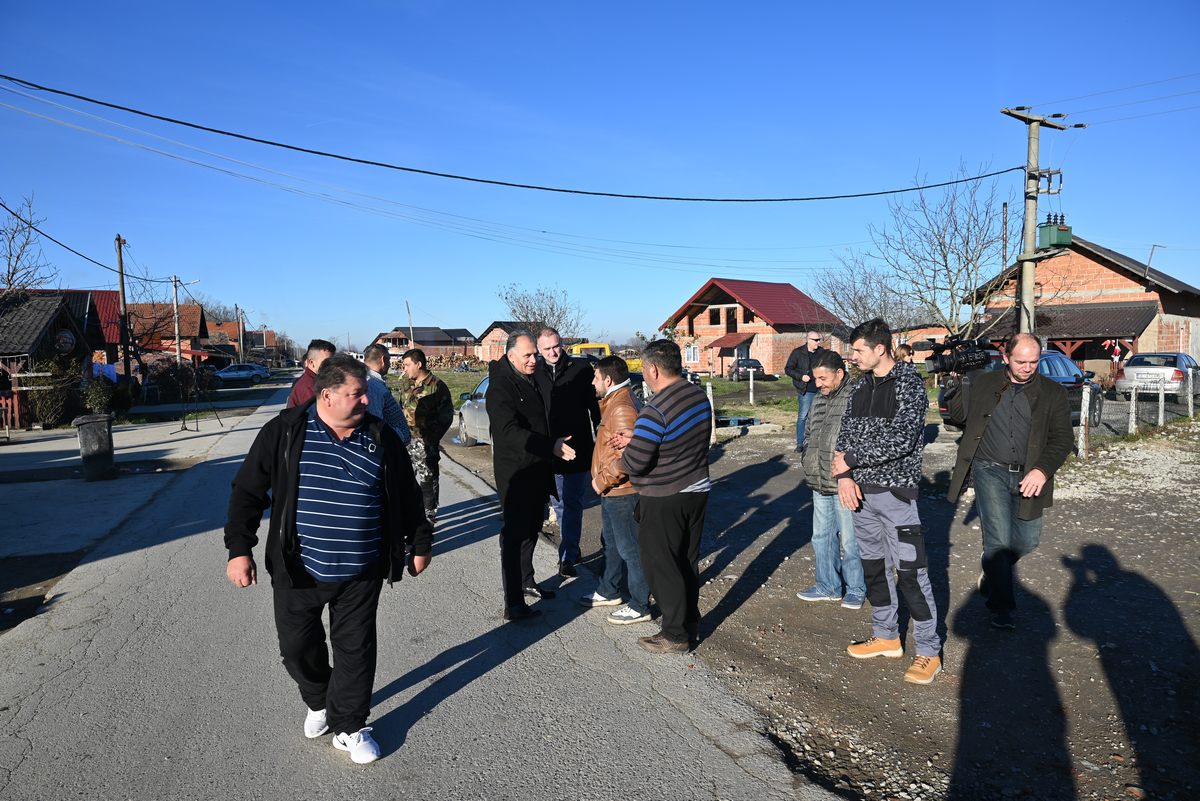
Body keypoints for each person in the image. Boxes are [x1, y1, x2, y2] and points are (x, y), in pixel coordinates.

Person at [224, 354, 431, 764]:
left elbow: (408, 494)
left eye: (365, 394)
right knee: (297, 648)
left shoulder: (381, 437)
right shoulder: (284, 432)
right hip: (299, 568)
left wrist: (420, 542)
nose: (367, 402)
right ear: (327, 395)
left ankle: (350, 725)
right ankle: (320, 700)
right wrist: (239, 549)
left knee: (355, 649)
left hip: (361, 569)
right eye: (357, 395)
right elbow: (247, 491)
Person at [832, 318, 941, 685]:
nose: (852, 357)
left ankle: (928, 651)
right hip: (861, 496)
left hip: (897, 496)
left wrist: (850, 461)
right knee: (874, 570)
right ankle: (886, 637)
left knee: (911, 573)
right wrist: (845, 475)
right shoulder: (860, 385)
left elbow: (903, 439)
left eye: (858, 350)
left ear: (881, 348)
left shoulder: (910, 384)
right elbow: (844, 435)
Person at [944, 333, 1072, 629]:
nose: (1028, 367)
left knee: (1027, 541)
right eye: (1021, 362)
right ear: (1006, 358)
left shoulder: (1053, 393)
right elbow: (959, 418)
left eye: (1033, 362)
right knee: (998, 540)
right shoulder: (985, 383)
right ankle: (1001, 607)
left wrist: (1042, 470)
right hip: (989, 469)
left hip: (1030, 474)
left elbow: (1063, 438)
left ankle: (992, 570)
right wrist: (958, 381)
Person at [612, 340, 713, 654]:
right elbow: (676, 438)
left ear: (653, 369)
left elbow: (636, 462)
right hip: (696, 490)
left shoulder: (654, 409)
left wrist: (618, 460)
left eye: (643, 369)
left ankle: (674, 633)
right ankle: (689, 624)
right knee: (686, 561)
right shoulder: (697, 396)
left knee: (661, 565)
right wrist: (639, 436)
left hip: (664, 494)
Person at [487, 331, 576, 621]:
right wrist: (550, 445)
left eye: (534, 354)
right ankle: (513, 603)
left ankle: (527, 580)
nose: (533, 360)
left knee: (532, 528)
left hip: (538, 468)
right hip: (517, 472)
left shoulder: (532, 377)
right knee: (514, 536)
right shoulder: (500, 387)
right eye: (527, 355)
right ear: (511, 355)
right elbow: (508, 432)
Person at [580, 355, 652, 625]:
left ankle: (639, 604)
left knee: (630, 548)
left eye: (596, 377)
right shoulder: (613, 401)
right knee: (611, 544)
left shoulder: (621, 407)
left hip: (622, 490)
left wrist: (603, 480)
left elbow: (629, 456)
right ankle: (608, 590)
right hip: (613, 491)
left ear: (607, 379)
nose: (592, 381)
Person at [796, 350, 867, 610]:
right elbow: (810, 432)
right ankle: (828, 586)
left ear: (840, 373)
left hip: (844, 480)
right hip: (818, 478)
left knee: (850, 539)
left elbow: (861, 439)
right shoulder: (818, 398)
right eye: (816, 378)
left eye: (823, 378)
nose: (818, 384)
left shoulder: (856, 395)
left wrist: (849, 473)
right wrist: (807, 455)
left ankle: (856, 588)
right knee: (821, 536)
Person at [535, 327, 600, 578]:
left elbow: (594, 409)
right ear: (539, 350)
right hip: (547, 449)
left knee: (572, 503)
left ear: (562, 344)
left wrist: (599, 444)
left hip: (577, 449)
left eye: (556, 346)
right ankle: (571, 548)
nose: (553, 352)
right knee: (557, 504)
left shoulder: (581, 370)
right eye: (547, 349)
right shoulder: (535, 372)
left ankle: (568, 556)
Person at [395, 348, 455, 524]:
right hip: (406, 440)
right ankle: (409, 515)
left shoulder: (437, 386)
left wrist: (431, 438)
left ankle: (428, 516)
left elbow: (446, 417)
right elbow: (400, 408)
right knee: (405, 479)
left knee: (428, 480)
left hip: (425, 441)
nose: (404, 369)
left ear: (418, 364)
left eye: (407, 365)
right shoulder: (406, 383)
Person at [785, 331, 826, 452]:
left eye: (819, 340)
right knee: (803, 417)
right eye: (815, 340)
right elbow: (788, 369)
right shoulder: (798, 353)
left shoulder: (822, 353)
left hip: (821, 390)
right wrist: (801, 376)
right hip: (806, 390)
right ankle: (800, 444)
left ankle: (816, 443)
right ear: (808, 340)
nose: (818, 342)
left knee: (819, 417)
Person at [361, 344, 411, 444]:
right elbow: (375, 424)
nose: (389, 365)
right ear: (383, 360)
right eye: (389, 360)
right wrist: (396, 438)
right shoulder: (373, 385)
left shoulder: (372, 381)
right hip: (388, 448)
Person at [287, 339, 336, 408]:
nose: (331, 366)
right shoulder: (309, 387)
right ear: (311, 363)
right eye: (326, 362)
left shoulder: (317, 381)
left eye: (333, 362)